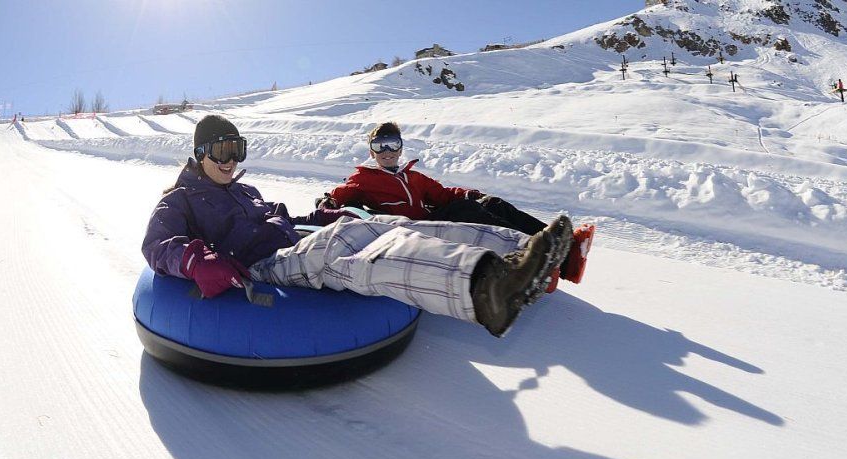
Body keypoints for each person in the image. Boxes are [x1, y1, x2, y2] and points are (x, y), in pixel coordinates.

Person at [142, 115, 572, 337]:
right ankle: (485, 287)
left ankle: (523, 251)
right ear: (200, 152)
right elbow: (158, 244)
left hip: (288, 245)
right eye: (221, 151)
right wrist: (197, 259)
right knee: (341, 248)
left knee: (388, 224)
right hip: (260, 266)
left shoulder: (244, 189)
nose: (231, 161)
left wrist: (324, 216)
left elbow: (284, 219)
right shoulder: (179, 199)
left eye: (237, 150)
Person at [320, 122, 594, 286]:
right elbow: (340, 195)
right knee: (466, 210)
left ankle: (563, 245)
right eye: (380, 146)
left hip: (430, 220)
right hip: (410, 231)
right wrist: (328, 200)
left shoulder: (412, 176)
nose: (387, 152)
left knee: (491, 203)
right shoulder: (363, 178)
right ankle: (535, 253)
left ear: (401, 148)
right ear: (371, 152)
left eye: (392, 144)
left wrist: (470, 194)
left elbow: (442, 194)